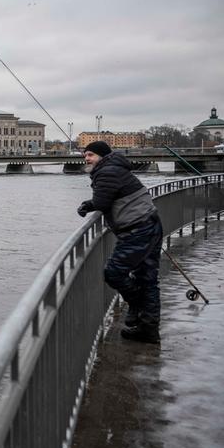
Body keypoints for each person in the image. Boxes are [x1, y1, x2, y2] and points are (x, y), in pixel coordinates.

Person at [77, 141, 163, 343]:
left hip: (137, 229)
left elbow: (102, 202)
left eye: (90, 155)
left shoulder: (107, 172)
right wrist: (90, 203)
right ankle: (148, 329)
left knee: (114, 272)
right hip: (148, 224)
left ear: (102, 156)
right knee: (148, 278)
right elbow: (109, 197)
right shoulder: (115, 168)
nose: (86, 159)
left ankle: (136, 303)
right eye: (85, 155)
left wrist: (86, 206)